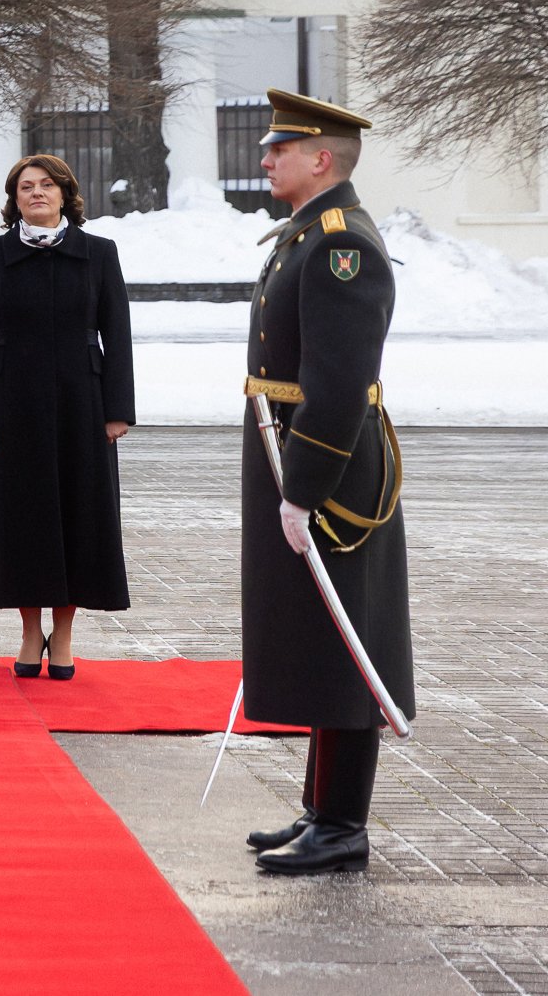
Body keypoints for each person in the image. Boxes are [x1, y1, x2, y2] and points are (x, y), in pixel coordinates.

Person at [239, 89, 414, 876]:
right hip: (297, 452)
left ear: (321, 158)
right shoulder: (306, 234)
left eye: (280, 147)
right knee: (319, 631)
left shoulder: (342, 245)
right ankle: (322, 809)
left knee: (347, 638)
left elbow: (339, 383)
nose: (265, 157)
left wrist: (304, 490)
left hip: (331, 467)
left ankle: (343, 823)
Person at [0, 155, 135, 681]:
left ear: (65, 194)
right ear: (15, 200)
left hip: (83, 404)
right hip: (12, 406)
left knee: (78, 516)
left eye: (46, 185)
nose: (36, 193)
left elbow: (117, 335)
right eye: (25, 187)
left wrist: (117, 410)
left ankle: (66, 632)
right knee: (23, 519)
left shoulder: (99, 254)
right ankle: (31, 630)